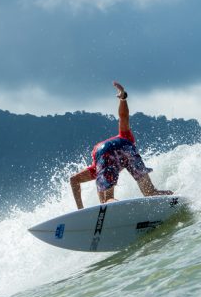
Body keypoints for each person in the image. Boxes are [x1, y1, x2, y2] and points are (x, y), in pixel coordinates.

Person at [70, 81, 173, 209]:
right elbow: (123, 116)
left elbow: (73, 180)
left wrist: (80, 210)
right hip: (126, 145)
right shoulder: (126, 136)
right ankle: (174, 198)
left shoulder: (98, 166)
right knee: (150, 192)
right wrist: (123, 98)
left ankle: (108, 204)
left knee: (106, 200)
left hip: (103, 152)